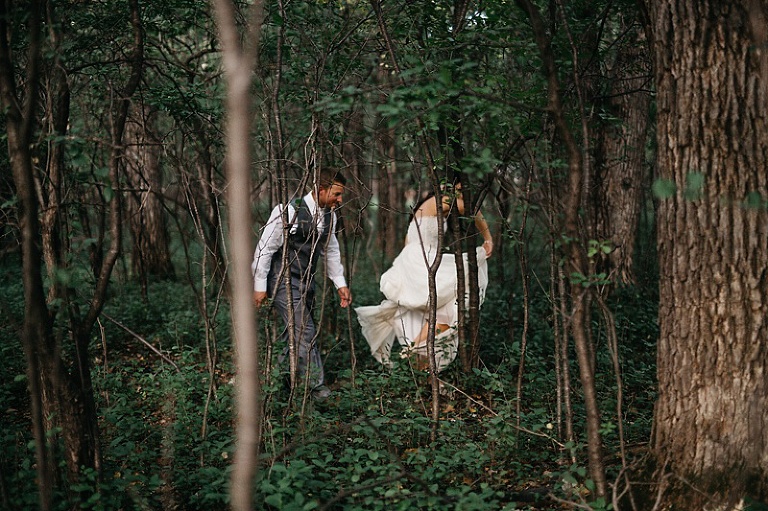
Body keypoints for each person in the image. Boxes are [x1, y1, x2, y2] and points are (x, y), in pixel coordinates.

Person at [356, 179, 493, 372]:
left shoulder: (428, 206)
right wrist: (488, 238)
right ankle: (417, 352)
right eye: (460, 189)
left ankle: (418, 356)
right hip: (420, 258)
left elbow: (408, 242)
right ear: (451, 188)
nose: (464, 193)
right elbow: (471, 210)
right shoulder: (443, 200)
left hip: (414, 257)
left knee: (443, 310)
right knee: (461, 285)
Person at [252, 168, 352, 400]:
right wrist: (259, 287)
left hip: (307, 283)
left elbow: (331, 249)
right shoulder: (287, 211)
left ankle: (281, 384)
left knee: (293, 334)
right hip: (282, 281)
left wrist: (340, 283)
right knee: (305, 331)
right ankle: (316, 388)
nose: (340, 200)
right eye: (336, 194)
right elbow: (264, 249)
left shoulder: (330, 215)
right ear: (320, 190)